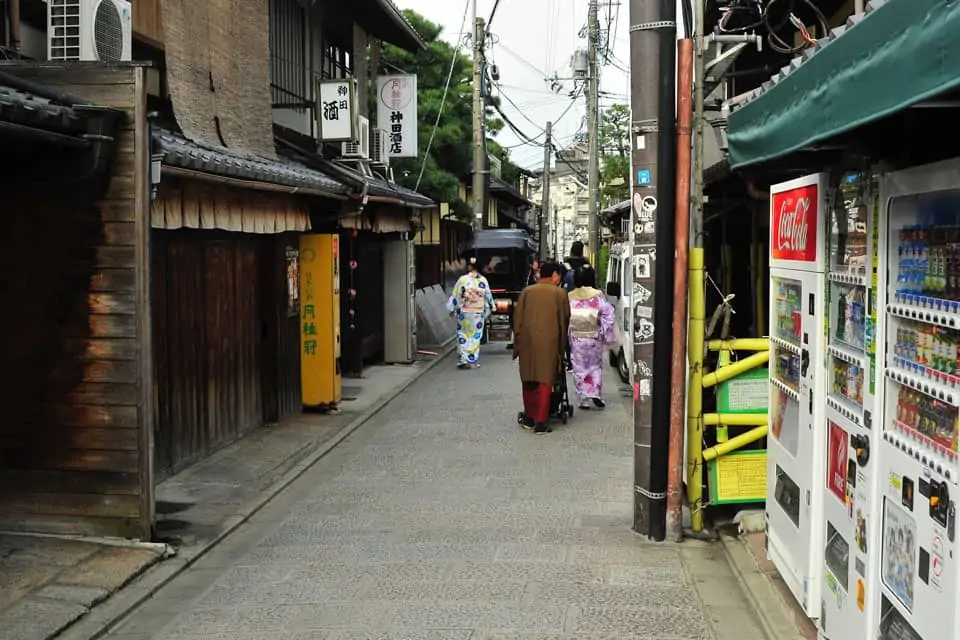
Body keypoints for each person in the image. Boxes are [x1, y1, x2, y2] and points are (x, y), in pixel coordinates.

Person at [513, 262, 570, 434]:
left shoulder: (527, 292)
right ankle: (541, 422)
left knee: (529, 378)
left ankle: (529, 418)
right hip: (550, 343)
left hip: (527, 342)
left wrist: (517, 344)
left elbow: (517, 319)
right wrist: (563, 348)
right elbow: (564, 320)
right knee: (545, 380)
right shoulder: (560, 293)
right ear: (554, 275)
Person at [568, 265, 617, 409]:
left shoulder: (570, 296)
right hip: (594, 337)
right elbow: (608, 314)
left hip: (576, 337)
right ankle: (595, 393)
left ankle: (583, 398)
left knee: (579, 367)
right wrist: (603, 330)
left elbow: (565, 315)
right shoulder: (597, 295)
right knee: (595, 366)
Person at [447, 256, 494, 369]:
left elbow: (456, 295)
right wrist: (491, 307)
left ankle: (464, 358)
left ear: (470, 266)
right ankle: (472, 360)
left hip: (464, 312)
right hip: (477, 312)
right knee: (475, 336)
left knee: (463, 334)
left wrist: (452, 308)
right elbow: (488, 296)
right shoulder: (483, 280)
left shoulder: (462, 279)